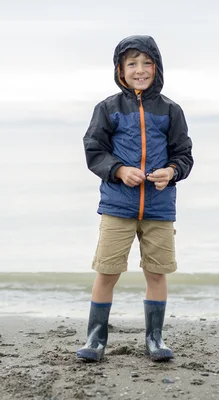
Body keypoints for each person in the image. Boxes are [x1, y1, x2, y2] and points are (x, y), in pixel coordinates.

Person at [78, 35, 193, 362]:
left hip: (159, 208)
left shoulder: (171, 110)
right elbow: (94, 152)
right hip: (117, 206)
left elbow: (184, 155)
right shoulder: (108, 109)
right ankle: (96, 339)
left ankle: (154, 339)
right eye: (132, 64)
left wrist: (171, 172)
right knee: (107, 272)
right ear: (120, 70)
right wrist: (118, 170)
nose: (140, 70)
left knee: (157, 274)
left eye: (146, 63)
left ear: (156, 67)